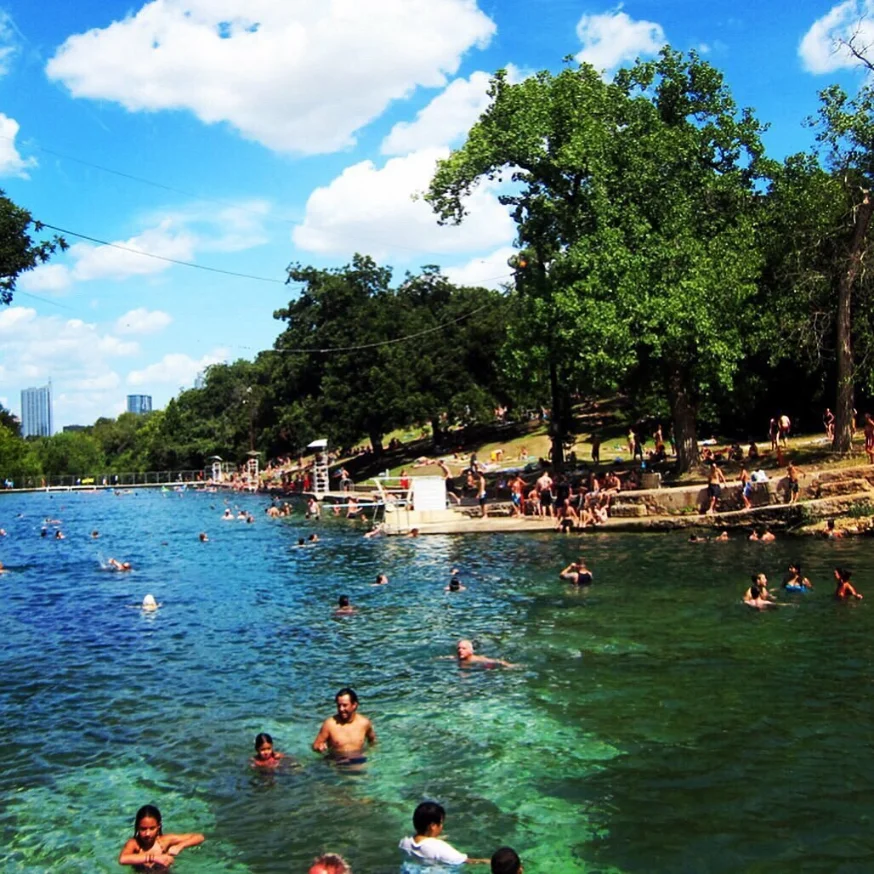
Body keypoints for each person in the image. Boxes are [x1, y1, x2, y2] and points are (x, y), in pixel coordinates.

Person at [398, 801, 488, 866]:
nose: (441, 826)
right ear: (433, 825)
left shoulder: (404, 842)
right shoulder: (440, 847)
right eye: (441, 823)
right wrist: (488, 861)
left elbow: (423, 847)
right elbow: (467, 861)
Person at [118, 804, 204, 870]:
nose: (147, 833)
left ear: (158, 826)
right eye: (143, 829)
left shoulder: (164, 841)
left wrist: (180, 846)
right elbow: (123, 859)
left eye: (152, 828)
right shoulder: (134, 844)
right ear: (137, 827)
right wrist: (155, 858)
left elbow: (199, 837)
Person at [312, 688, 376, 760]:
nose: (341, 709)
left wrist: (371, 754)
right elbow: (315, 745)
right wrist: (319, 747)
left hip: (358, 761)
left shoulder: (364, 723)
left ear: (354, 705)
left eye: (345, 705)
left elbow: (372, 740)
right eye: (339, 705)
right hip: (337, 762)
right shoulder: (329, 724)